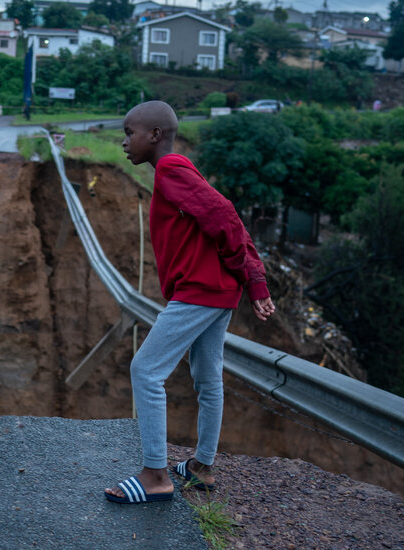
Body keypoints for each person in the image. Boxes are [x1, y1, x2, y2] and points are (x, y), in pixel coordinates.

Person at [105, 100, 276, 504]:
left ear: (155, 135)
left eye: (130, 133)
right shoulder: (178, 168)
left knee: (146, 370)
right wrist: (252, 282)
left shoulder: (169, 169)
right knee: (206, 374)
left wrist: (255, 279)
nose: (124, 142)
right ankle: (202, 467)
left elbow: (224, 215)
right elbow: (224, 217)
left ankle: (155, 475)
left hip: (199, 291)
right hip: (218, 291)